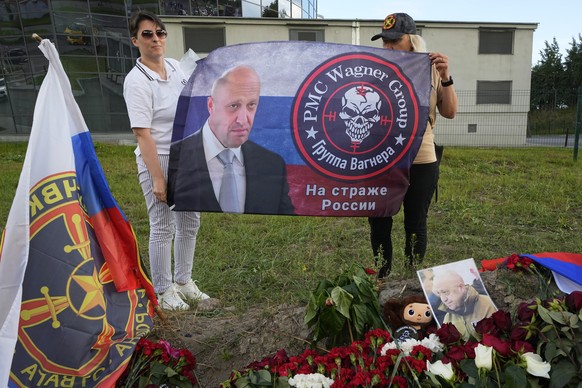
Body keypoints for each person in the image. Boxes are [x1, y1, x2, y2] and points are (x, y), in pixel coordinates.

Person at [123, 10, 209, 311]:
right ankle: (164, 290)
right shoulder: (136, 81)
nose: (156, 39)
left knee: (190, 222)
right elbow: (142, 134)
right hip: (157, 156)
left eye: (160, 33)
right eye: (148, 34)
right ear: (135, 40)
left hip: (185, 154)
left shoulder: (175, 66)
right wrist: (158, 177)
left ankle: (184, 281)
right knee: (163, 225)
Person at [368, 13, 458, 278]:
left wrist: (445, 75)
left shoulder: (429, 68)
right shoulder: (374, 67)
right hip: (381, 157)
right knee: (379, 220)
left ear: (412, 41)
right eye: (385, 41)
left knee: (416, 223)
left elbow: (450, 112)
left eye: (395, 41)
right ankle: (382, 278)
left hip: (420, 158)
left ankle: (412, 278)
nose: (388, 47)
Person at [167, 65, 295, 215]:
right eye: (233, 106)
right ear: (210, 105)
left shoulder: (273, 165)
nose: (243, 119)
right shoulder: (177, 156)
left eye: (251, 105)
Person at [432, 269, 497, 340]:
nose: (443, 299)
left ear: (460, 287)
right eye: (439, 294)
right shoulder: (447, 318)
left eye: (445, 292)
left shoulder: (488, 304)